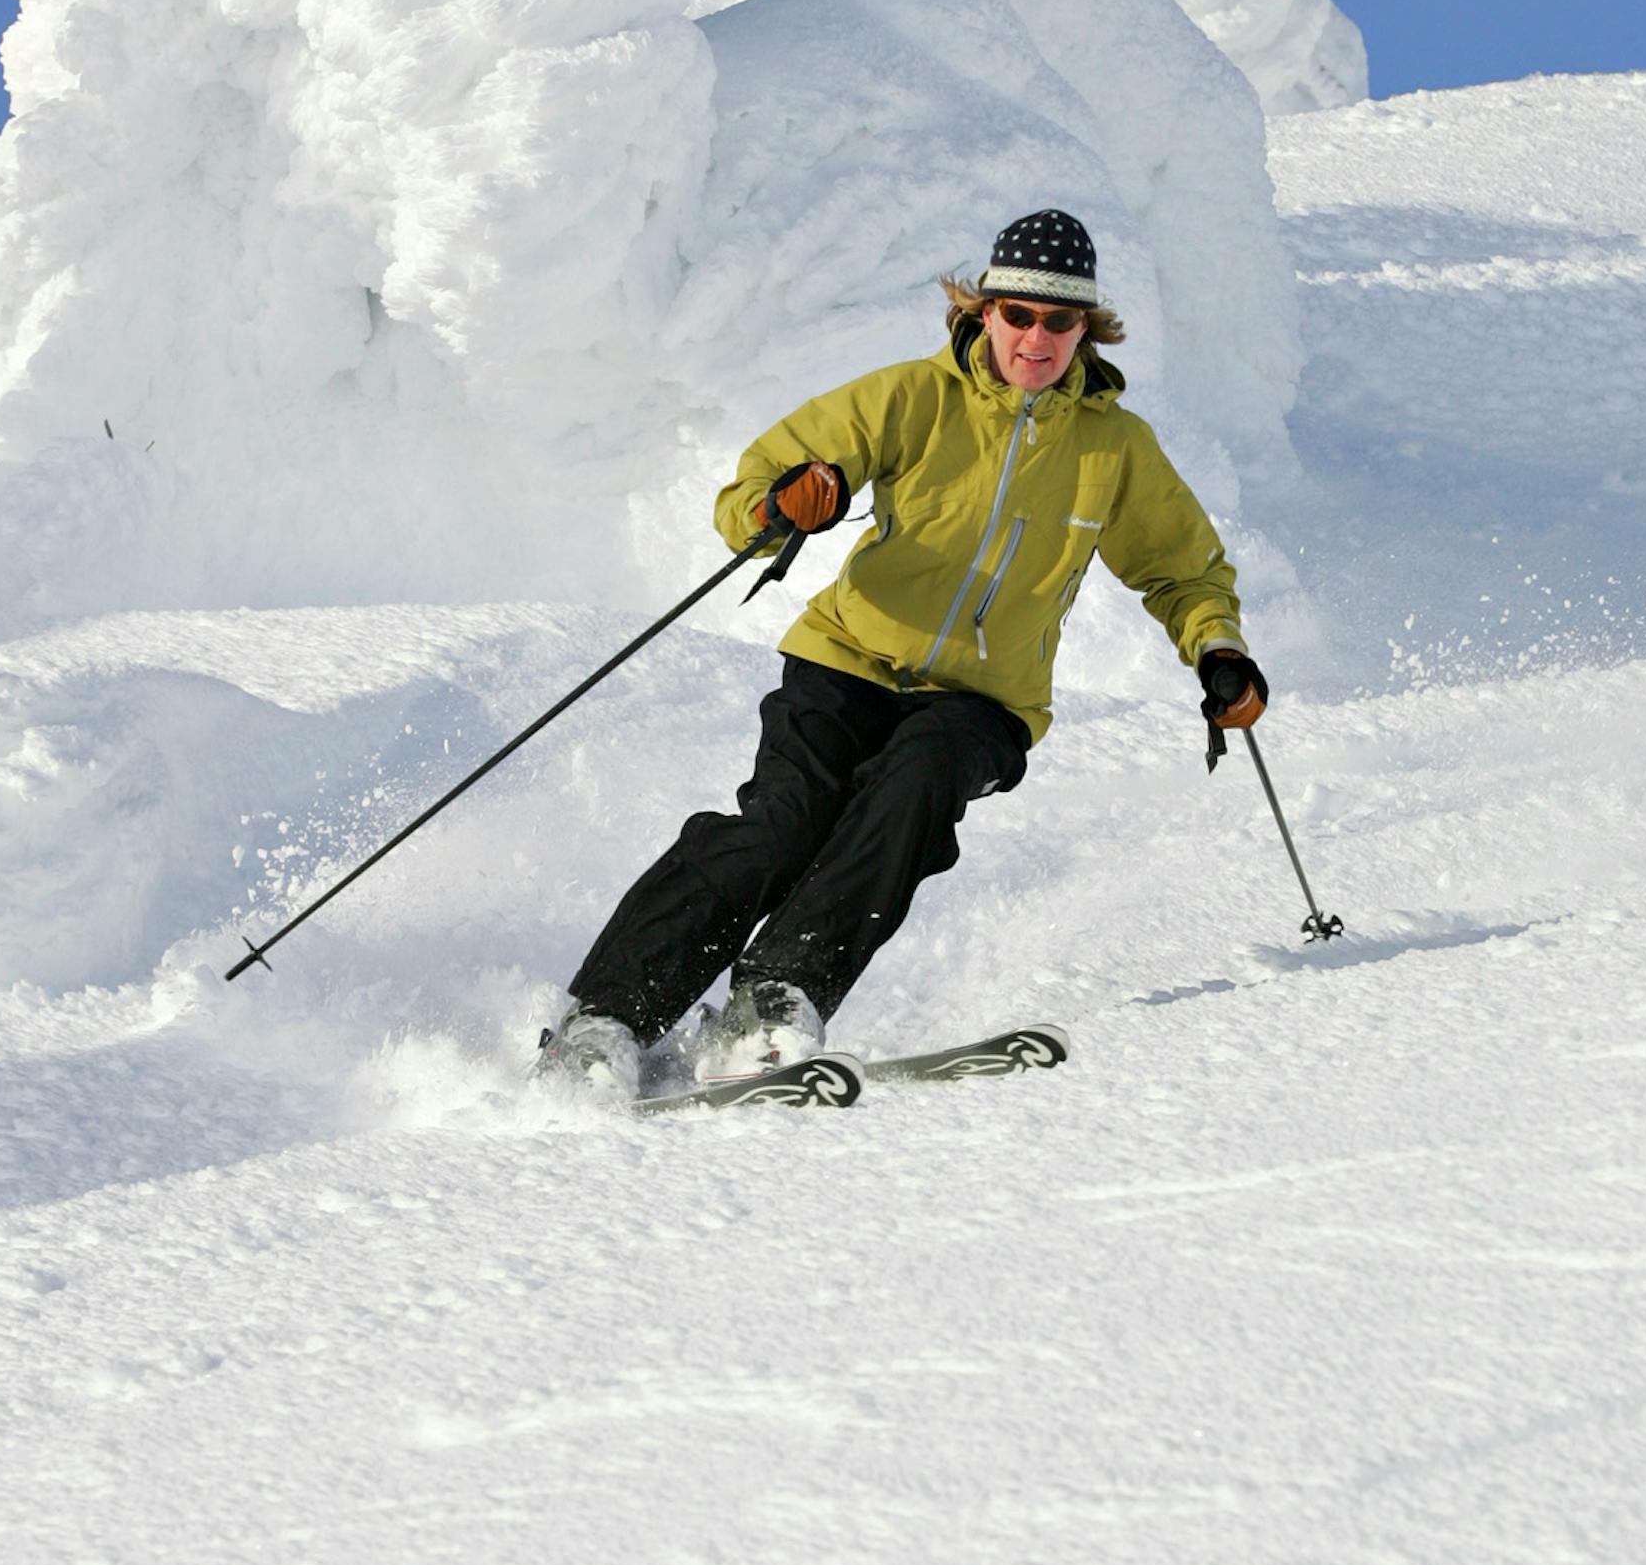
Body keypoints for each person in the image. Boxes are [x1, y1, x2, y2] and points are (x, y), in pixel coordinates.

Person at [541, 207, 1269, 1091]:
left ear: (1088, 329)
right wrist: (792, 501)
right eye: (1019, 315)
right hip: (846, 658)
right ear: (984, 312)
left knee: (915, 786)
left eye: (1061, 321)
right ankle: (606, 1017)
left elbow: (1183, 568)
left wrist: (1217, 649)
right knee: (783, 824)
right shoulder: (910, 398)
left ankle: (777, 996)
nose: (1037, 338)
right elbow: (755, 491)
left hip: (984, 702)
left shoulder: (1115, 449)